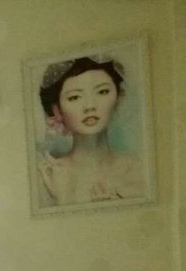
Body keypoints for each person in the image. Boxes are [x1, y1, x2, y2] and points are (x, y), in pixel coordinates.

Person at [36, 56, 143, 206]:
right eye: (74, 97)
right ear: (57, 110)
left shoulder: (139, 168)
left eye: (102, 92)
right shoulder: (49, 175)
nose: (90, 106)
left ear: (119, 98)